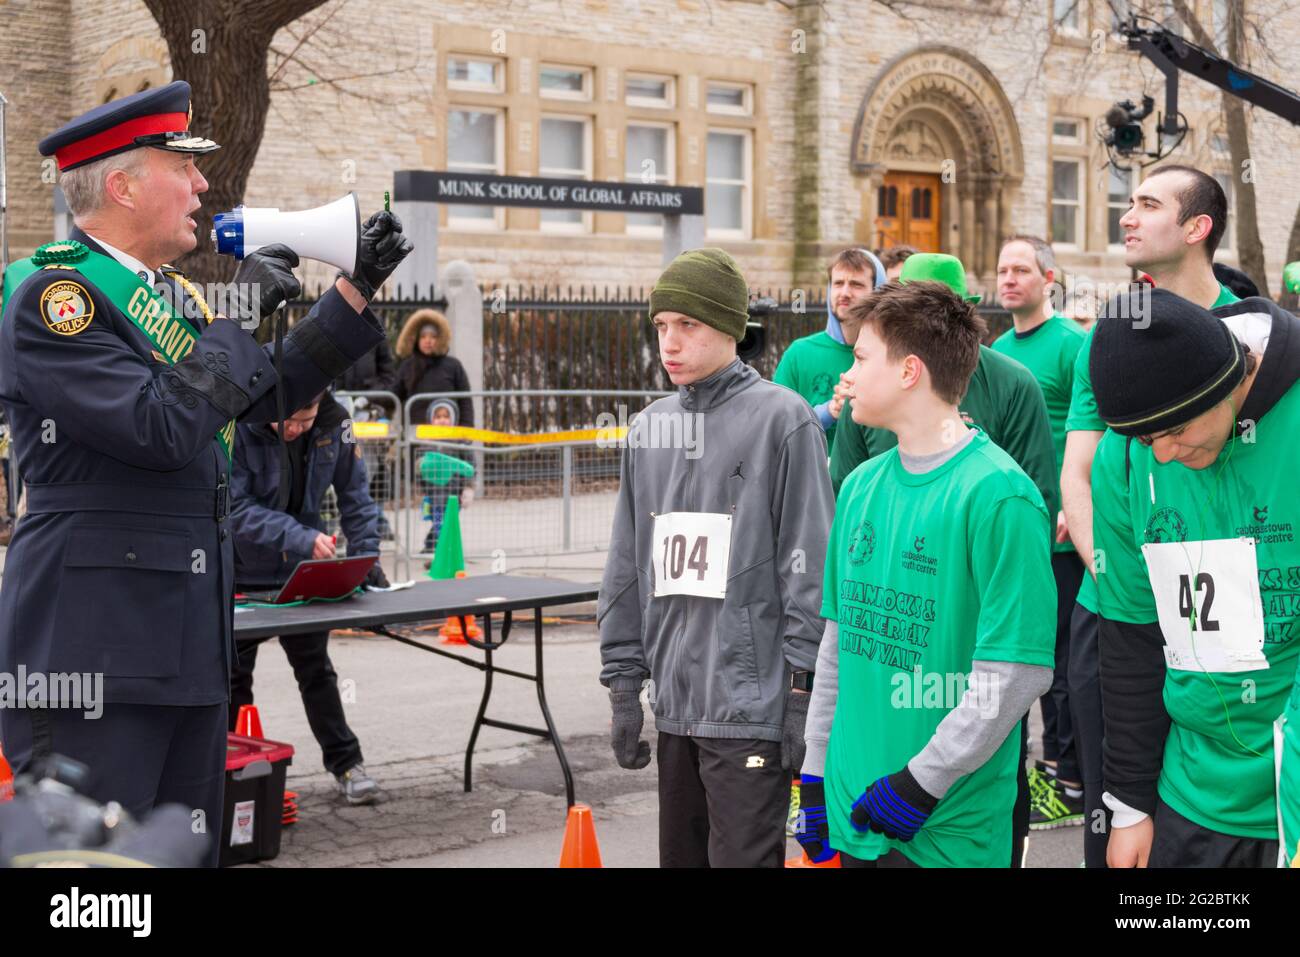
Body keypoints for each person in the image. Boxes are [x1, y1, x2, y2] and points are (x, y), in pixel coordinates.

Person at [0, 81, 411, 866]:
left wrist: (353, 295)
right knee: (94, 881)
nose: (201, 186)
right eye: (180, 168)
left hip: (184, 647)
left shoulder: (171, 297)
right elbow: (159, 426)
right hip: (95, 652)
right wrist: (238, 319)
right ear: (121, 183)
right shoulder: (57, 296)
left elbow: (256, 401)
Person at [796, 279, 1056, 868]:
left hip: (944, 829)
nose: (848, 376)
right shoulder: (861, 485)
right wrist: (814, 773)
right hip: (854, 811)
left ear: (910, 371)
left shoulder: (999, 495)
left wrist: (921, 782)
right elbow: (837, 647)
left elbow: (1015, 673)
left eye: (861, 358)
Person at [598, 247, 834, 867]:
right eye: (660, 327)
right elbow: (627, 566)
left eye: (688, 325)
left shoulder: (783, 420)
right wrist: (625, 683)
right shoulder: (649, 427)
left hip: (749, 708)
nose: (669, 343)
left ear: (729, 328)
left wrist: (802, 690)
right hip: (676, 705)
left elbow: (809, 565)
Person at [1059, 164, 1241, 867]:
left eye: (1148, 204)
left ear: (1197, 228)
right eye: (1127, 202)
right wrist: (1109, 563)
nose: (1126, 216)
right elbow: (1079, 467)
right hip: (1117, 603)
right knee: (1117, 821)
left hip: (1218, 612)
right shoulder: (1114, 334)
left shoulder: (1241, 336)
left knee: (1203, 823)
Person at [1089, 286, 1300, 867]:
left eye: (1174, 431)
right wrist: (1129, 802)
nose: (1160, 455)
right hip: (1190, 796)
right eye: (1143, 438)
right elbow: (1130, 634)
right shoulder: (1125, 456)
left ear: (1227, 383)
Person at [229, 390, 388, 805]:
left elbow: (356, 498)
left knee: (317, 672)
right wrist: (300, 537)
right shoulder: (240, 424)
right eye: (288, 420)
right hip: (243, 576)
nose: (296, 429)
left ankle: (347, 764)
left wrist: (365, 558)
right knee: (232, 680)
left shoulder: (337, 426)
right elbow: (236, 507)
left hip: (301, 577)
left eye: (306, 419)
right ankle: (227, 776)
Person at [990, 235, 1087, 830]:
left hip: (1060, 537)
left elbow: (1100, 436)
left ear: (1048, 278)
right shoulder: (996, 350)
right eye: (1002, 270)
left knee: (1064, 664)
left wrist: (1074, 506)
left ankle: (1069, 780)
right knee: (1018, 659)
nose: (1009, 279)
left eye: (1021, 269)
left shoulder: (1073, 346)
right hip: (1012, 533)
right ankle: (1038, 768)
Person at [773, 248, 884, 449]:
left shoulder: (890, 355)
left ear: (878, 290)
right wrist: (828, 412)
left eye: (857, 284)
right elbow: (774, 426)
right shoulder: (799, 353)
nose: (845, 293)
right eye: (838, 283)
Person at [393, 308, 473, 429]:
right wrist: (372, 397)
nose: (428, 341)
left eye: (433, 337)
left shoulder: (453, 366)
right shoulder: (408, 366)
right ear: (416, 340)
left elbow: (465, 401)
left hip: (448, 436)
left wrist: (466, 429)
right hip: (416, 436)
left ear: (440, 339)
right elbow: (393, 396)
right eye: (423, 336)